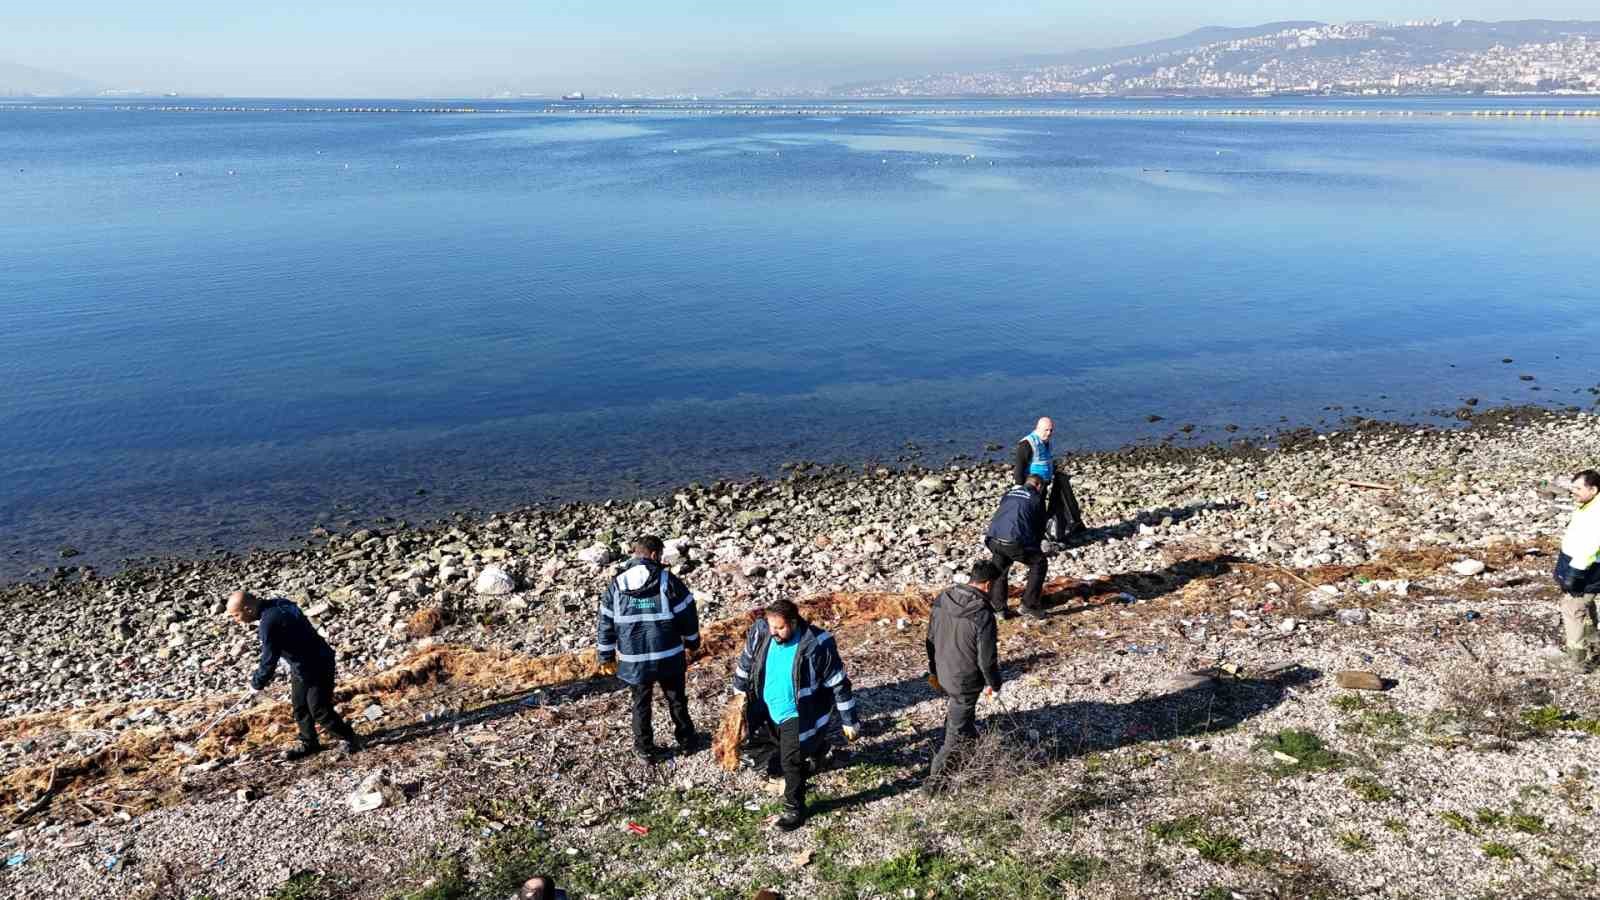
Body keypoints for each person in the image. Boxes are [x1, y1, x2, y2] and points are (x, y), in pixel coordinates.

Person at [731, 598, 861, 831]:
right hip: (767, 708)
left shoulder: (817, 644)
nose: (775, 633)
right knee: (755, 748)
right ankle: (816, 751)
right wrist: (738, 692)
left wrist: (849, 720)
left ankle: (794, 809)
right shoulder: (761, 633)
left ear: (793, 622)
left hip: (797, 713)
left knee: (790, 762)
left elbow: (839, 683)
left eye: (780, 627)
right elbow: (746, 663)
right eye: (771, 626)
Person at [596, 535, 703, 760]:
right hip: (669, 656)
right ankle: (687, 741)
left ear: (636, 553)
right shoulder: (667, 581)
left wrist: (605, 656)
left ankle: (645, 749)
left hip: (634, 661)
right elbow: (687, 614)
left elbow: (605, 622)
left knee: (640, 704)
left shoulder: (616, 585)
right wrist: (693, 642)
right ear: (654, 555)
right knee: (676, 700)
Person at [226, 590, 362, 760]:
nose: (236, 621)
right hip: (301, 666)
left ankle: (348, 738)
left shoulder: (268, 623)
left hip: (319, 663)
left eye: (235, 616)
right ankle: (309, 742)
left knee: (319, 709)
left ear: (247, 609)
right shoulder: (279, 603)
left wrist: (256, 683)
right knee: (300, 706)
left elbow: (269, 658)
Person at [925, 561, 1003, 788]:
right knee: (955, 732)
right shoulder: (982, 613)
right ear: (988, 585)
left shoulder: (943, 598)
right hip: (965, 680)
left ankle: (973, 754)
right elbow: (986, 660)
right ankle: (934, 783)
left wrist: (933, 669)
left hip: (943, 670)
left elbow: (929, 639)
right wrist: (994, 684)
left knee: (961, 716)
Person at [1553, 470, 1600, 671]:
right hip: (1580, 565)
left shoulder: (1596, 513)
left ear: (1593, 489)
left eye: (1578, 489)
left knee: (1573, 609)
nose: (1574, 492)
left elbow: (1591, 546)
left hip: (1585, 569)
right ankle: (1593, 639)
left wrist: (1574, 574)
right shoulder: (1591, 504)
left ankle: (1577, 660)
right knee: (1586, 605)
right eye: (1573, 488)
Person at [984, 475, 1049, 619]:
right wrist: (1035, 547)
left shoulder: (1009, 493)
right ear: (1038, 486)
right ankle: (1028, 605)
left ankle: (998, 608)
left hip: (993, 538)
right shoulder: (1036, 499)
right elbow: (1039, 527)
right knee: (1039, 563)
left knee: (1000, 567)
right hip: (1013, 541)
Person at [1014, 416, 1087, 543]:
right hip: (1031, 486)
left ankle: (1040, 534)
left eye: (1051, 430)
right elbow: (1019, 467)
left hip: (1043, 484)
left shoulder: (1046, 442)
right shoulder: (1027, 444)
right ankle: (1028, 536)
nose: (1049, 433)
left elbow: (1047, 460)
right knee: (1031, 511)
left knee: (1041, 509)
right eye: (1046, 430)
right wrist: (1019, 487)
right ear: (1038, 428)